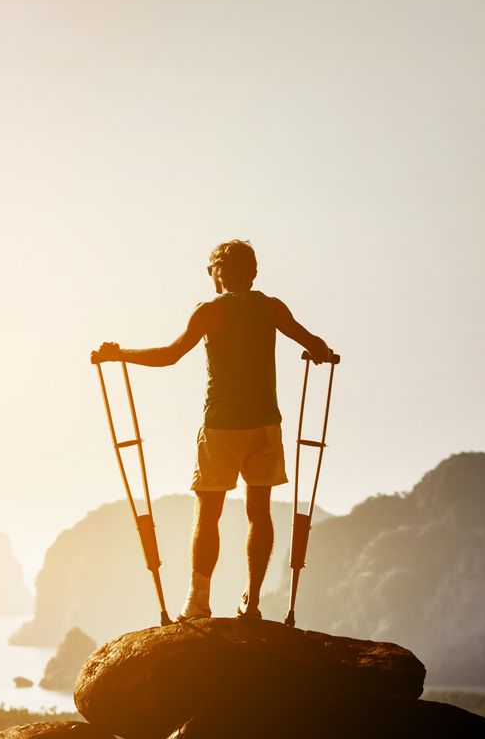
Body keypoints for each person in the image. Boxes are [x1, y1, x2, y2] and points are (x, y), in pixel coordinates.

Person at [90, 240, 334, 621]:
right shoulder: (272, 308)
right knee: (260, 512)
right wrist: (320, 353)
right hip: (266, 424)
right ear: (253, 273)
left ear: (218, 274)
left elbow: (169, 356)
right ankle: (251, 604)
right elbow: (315, 344)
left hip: (222, 426)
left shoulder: (209, 312)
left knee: (208, 512)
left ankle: (198, 602)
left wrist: (120, 354)